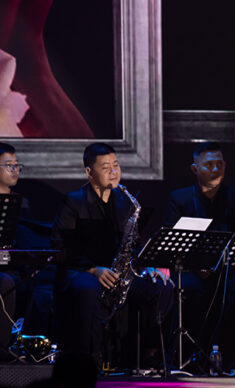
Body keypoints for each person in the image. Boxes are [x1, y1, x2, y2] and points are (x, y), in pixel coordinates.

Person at [51, 142, 173, 368]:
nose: (113, 171)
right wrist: (93, 269)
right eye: (105, 167)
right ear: (89, 172)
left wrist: (147, 266)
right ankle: (90, 362)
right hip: (81, 271)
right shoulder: (73, 201)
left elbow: (133, 244)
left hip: (117, 273)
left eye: (116, 165)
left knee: (161, 287)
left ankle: (148, 354)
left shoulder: (125, 202)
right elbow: (62, 247)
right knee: (89, 288)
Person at [165, 142, 235, 371]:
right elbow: (172, 244)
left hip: (225, 270)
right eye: (209, 165)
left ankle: (233, 360)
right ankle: (188, 359)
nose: (216, 169)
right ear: (194, 169)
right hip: (190, 270)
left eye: (220, 164)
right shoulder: (180, 199)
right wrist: (198, 267)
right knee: (190, 290)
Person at [0, 142, 22, 350]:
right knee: (6, 282)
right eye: (8, 165)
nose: (15, 170)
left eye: (16, 165)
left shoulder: (21, 203)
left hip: (11, 263)